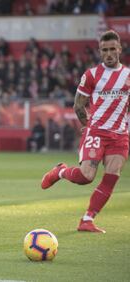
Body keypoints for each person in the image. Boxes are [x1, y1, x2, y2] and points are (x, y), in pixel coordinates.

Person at [41, 30, 129, 233]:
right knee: (87, 176)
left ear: (119, 50)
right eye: (104, 50)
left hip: (120, 136)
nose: (109, 54)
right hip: (96, 132)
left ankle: (87, 219)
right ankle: (61, 171)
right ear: (99, 51)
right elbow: (78, 105)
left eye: (112, 49)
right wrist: (88, 125)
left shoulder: (128, 76)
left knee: (112, 175)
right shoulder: (91, 75)